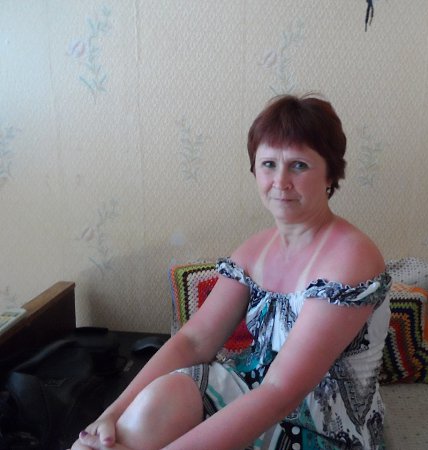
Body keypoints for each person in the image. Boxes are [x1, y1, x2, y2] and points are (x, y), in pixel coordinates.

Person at [71, 94, 391, 450]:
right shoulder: (254, 251)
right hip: (252, 389)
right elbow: (193, 342)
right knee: (149, 408)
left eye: (299, 165)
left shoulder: (351, 257)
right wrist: (111, 415)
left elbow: (281, 391)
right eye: (268, 164)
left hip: (321, 424)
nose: (280, 181)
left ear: (330, 173)